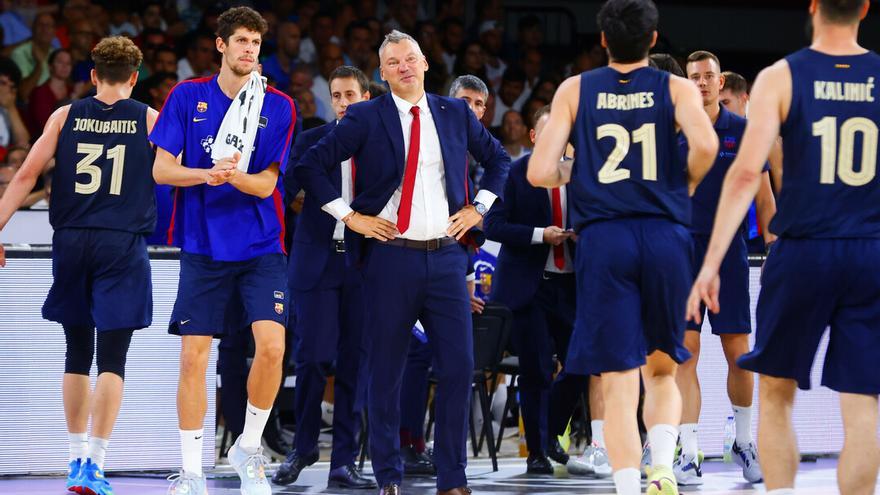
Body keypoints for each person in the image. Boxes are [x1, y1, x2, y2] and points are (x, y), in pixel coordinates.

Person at [294, 30, 510, 495]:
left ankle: (452, 478)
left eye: (410, 58)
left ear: (426, 63)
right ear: (383, 72)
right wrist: (350, 217)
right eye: (393, 63)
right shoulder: (366, 115)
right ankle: (389, 475)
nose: (404, 67)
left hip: (448, 257)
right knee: (386, 372)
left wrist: (480, 208)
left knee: (457, 368)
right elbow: (308, 166)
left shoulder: (453, 112)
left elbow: (499, 160)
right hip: (390, 259)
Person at [688, 1, 880, 494]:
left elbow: (747, 175)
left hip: (804, 249)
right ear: (864, 8)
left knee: (776, 393)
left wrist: (710, 264)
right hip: (868, 249)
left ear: (813, 7)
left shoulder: (781, 76)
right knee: (862, 403)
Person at [527, 0, 718, 493]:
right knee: (662, 368)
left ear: (604, 40)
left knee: (616, 376)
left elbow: (538, 171)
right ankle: (661, 470)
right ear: (654, 41)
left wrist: (581, 176)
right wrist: (683, 187)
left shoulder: (575, 88)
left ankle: (629, 485)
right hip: (663, 232)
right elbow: (707, 147)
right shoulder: (675, 86)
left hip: (605, 237)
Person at [0, 36, 157, 495]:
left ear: (92, 76)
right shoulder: (149, 118)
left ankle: (72, 460)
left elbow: (26, 174)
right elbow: (176, 172)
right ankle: (96, 464)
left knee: (75, 353)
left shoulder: (64, 115)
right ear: (134, 77)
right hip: (121, 244)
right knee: (112, 358)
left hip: (71, 242)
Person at [149, 7, 296, 495]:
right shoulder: (187, 96)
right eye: (240, 41)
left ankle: (248, 448)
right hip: (203, 244)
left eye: (255, 41)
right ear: (220, 45)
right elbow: (162, 171)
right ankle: (192, 470)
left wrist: (234, 176)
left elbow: (268, 185)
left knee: (272, 349)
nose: (249, 49)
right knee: (194, 358)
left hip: (260, 244)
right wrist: (205, 174)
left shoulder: (278, 105)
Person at [674, 50, 776, 486]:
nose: (700, 82)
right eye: (693, 76)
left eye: (708, 76)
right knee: (686, 353)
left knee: (741, 353)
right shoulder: (674, 129)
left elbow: (764, 197)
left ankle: (743, 439)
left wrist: (774, 249)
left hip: (730, 252)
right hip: (681, 252)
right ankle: (689, 449)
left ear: (721, 83)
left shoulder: (744, 131)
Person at [272, 65, 376, 490]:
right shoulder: (314, 140)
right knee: (312, 358)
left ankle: (345, 461)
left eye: (350, 94)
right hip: (316, 262)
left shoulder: (382, 146)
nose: (342, 102)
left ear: (367, 99)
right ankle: (305, 447)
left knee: (355, 363)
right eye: (336, 95)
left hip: (364, 265)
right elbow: (282, 186)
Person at [485, 105, 595, 477]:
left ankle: (548, 435)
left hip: (571, 284)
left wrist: (584, 236)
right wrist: (539, 235)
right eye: (547, 134)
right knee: (535, 370)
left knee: (582, 364)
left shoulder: (582, 175)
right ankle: (536, 452)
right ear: (534, 137)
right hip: (528, 287)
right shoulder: (516, 173)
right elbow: (493, 225)